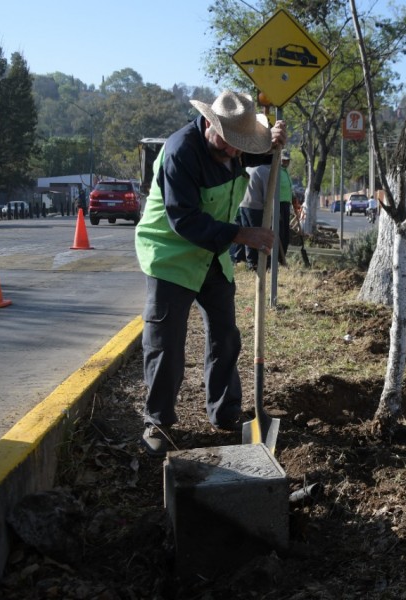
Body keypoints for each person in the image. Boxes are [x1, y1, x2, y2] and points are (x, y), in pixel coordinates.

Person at [134, 91, 286, 456]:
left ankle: (225, 413)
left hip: (213, 255)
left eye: (241, 146)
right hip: (170, 253)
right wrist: (242, 233)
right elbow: (183, 219)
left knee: (225, 336)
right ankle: (158, 421)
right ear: (209, 125)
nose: (235, 153)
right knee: (166, 341)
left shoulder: (234, 145)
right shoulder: (180, 152)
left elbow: (258, 151)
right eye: (230, 144)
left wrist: (274, 143)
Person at [278, 150, 293, 260]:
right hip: (279, 205)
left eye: (287, 160)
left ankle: (283, 256)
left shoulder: (286, 173)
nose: (285, 162)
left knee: (286, 234)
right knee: (281, 233)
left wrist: (293, 196)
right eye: (283, 160)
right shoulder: (277, 171)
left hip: (286, 204)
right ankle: (279, 257)